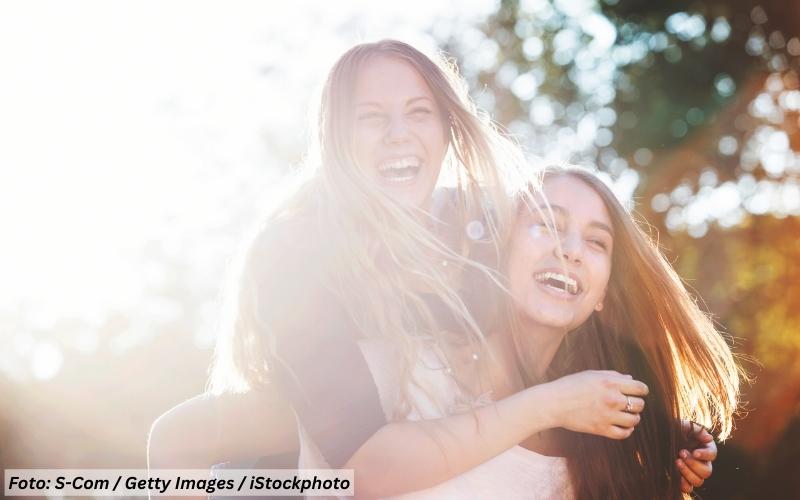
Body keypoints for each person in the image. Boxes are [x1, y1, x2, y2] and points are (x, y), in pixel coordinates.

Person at [148, 40, 716, 498]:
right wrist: (555, 403)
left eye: (419, 112)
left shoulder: (472, 227)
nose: (399, 133)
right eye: (371, 117)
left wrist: (661, 432)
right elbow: (357, 463)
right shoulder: (297, 259)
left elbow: (574, 317)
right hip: (301, 448)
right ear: (337, 142)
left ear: (447, 130)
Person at [483, 166, 740, 498]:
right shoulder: (421, 373)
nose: (571, 250)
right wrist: (554, 403)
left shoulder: (594, 442)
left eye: (596, 241)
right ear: (503, 245)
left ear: (602, 293)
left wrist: (651, 451)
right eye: (548, 224)